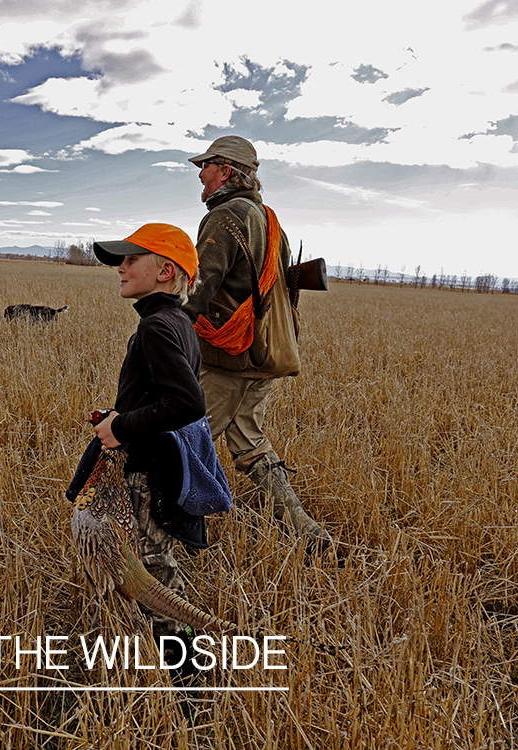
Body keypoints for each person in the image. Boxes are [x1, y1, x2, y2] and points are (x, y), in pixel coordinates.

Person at [184, 135, 333, 546]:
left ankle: (162, 535)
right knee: (249, 442)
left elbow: (202, 284)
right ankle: (306, 531)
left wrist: (171, 330)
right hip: (265, 352)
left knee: (180, 438)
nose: (200, 173)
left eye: (206, 166)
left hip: (229, 357)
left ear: (226, 170)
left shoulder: (225, 215)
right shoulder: (269, 220)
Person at [89, 223, 211, 666]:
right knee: (151, 564)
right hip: (159, 463)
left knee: (152, 571)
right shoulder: (175, 321)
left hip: (150, 470)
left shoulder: (156, 328)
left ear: (164, 271)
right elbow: (166, 398)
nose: (120, 268)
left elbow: (186, 402)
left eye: (130, 259)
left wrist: (121, 429)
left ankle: (187, 679)